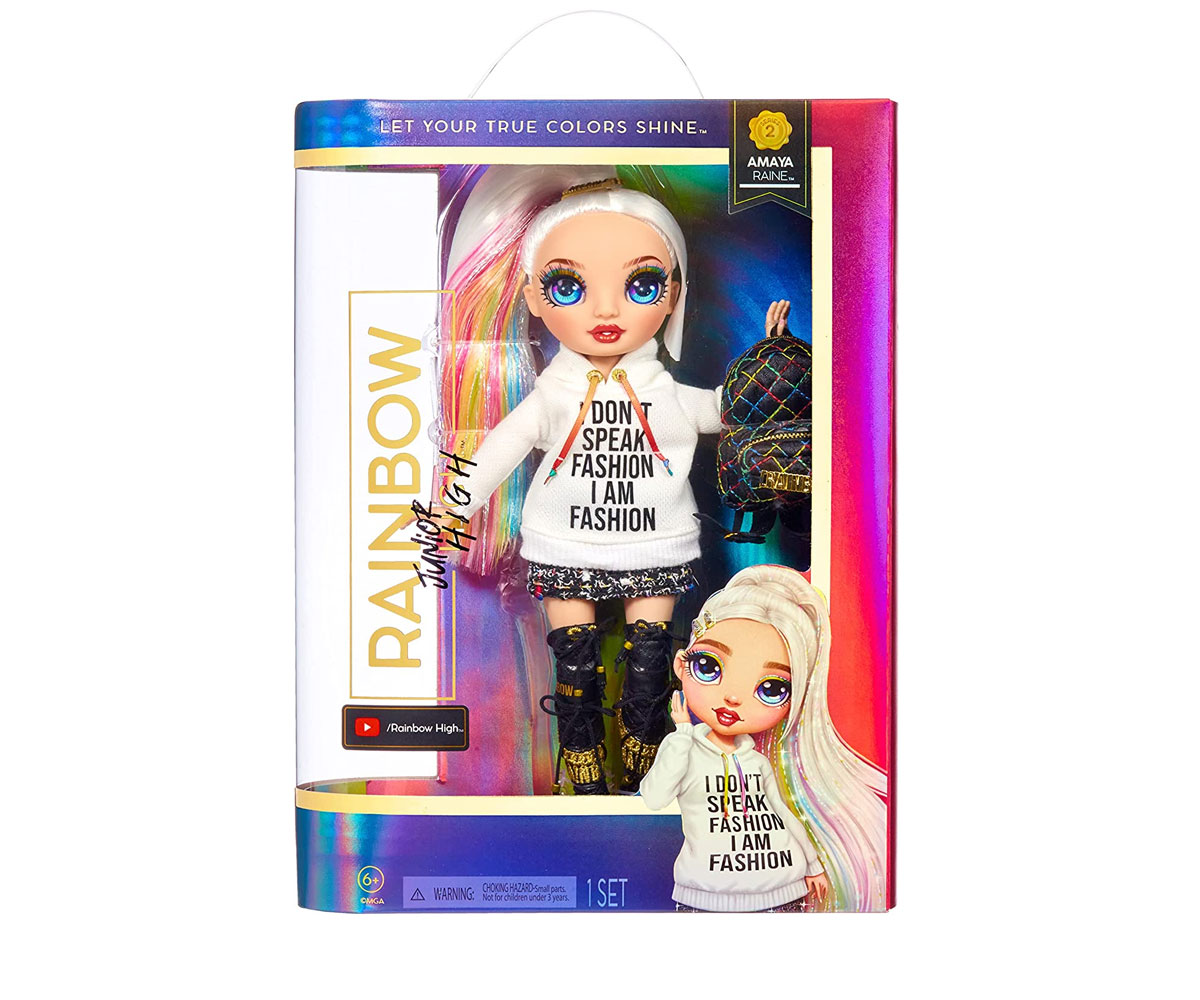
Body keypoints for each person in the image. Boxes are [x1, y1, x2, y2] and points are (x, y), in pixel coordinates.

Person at [438, 164, 789, 793]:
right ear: (532, 297)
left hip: (656, 546)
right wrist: (453, 505)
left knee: (652, 664)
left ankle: (644, 764)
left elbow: (726, 410)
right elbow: (500, 449)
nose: (605, 310)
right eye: (568, 286)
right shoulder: (551, 396)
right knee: (574, 670)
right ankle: (581, 766)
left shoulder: (670, 395)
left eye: (641, 284)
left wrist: (771, 362)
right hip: (562, 546)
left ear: (673, 294)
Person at [640, 565, 888, 911]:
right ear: (682, 665)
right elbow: (654, 797)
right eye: (709, 667)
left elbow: (784, 814)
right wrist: (682, 733)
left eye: (771, 688)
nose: (733, 698)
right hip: (705, 896)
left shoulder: (756, 761)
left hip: (783, 892)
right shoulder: (683, 748)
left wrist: (813, 866)